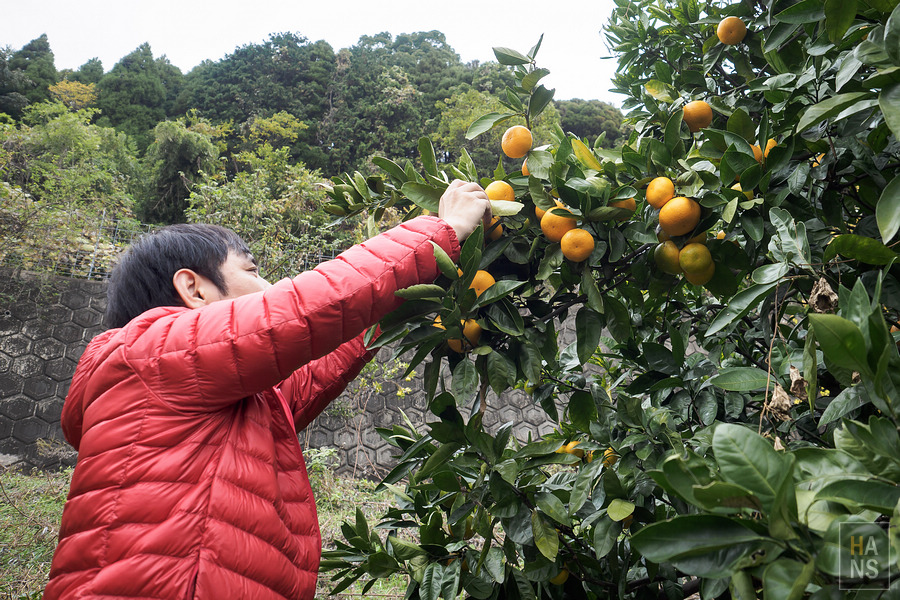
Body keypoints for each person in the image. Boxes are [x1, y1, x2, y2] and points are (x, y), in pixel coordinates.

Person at [43, 180, 492, 600]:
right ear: (193, 289)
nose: (271, 286)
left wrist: (402, 296)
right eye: (253, 272)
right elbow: (304, 308)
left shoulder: (232, 396)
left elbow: (321, 357)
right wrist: (442, 232)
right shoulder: (152, 349)